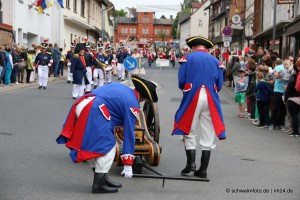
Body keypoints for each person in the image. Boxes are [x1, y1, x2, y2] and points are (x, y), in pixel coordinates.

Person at [56, 76, 158, 193]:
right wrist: (128, 164)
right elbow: (130, 132)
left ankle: (102, 177)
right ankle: (98, 184)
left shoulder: (121, 87)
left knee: (97, 144)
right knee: (108, 146)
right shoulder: (132, 104)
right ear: (144, 97)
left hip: (84, 102)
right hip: (93, 109)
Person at [172, 36, 226, 179]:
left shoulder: (187, 58)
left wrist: (186, 88)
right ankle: (203, 170)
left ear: (193, 47)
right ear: (206, 49)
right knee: (208, 131)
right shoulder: (216, 61)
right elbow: (220, 83)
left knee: (188, 126)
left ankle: (191, 164)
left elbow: (181, 81)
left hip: (193, 95)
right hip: (211, 97)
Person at [285, 58, 300, 137]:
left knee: (294, 116)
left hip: (293, 98)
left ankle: (295, 131)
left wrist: (285, 98)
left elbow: (289, 89)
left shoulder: (294, 77)